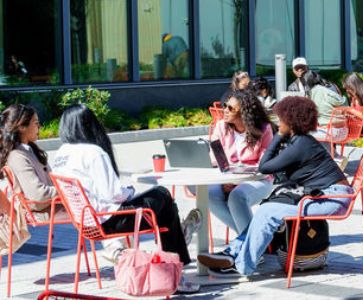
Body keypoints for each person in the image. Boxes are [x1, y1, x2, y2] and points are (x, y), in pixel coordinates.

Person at [49, 105, 201, 293]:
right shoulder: (93, 152)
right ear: (90, 125)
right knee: (163, 196)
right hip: (110, 219)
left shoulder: (62, 153)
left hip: (85, 222)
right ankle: (175, 269)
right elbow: (113, 193)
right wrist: (129, 191)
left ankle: (175, 258)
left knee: (164, 212)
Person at [197, 96, 354, 276]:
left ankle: (241, 266)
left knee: (268, 212)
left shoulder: (301, 144)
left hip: (334, 198)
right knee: (268, 209)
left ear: (291, 121)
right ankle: (232, 252)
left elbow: (265, 166)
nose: (278, 121)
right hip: (323, 194)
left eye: (281, 118)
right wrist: (281, 135)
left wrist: (279, 135)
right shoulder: (300, 141)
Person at [207, 91, 274, 235]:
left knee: (236, 197)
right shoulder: (221, 127)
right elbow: (214, 157)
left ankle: (249, 244)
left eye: (230, 108)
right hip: (226, 178)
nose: (225, 110)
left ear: (244, 112)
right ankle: (251, 240)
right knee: (209, 194)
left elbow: (264, 164)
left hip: (258, 179)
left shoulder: (263, 129)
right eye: (225, 106)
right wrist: (227, 178)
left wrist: (237, 181)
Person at [0, 104, 63, 223]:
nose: (39, 126)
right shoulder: (17, 156)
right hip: (43, 212)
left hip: (51, 206)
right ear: (22, 127)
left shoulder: (30, 149)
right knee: (89, 208)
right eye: (36, 123)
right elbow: (38, 196)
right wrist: (67, 190)